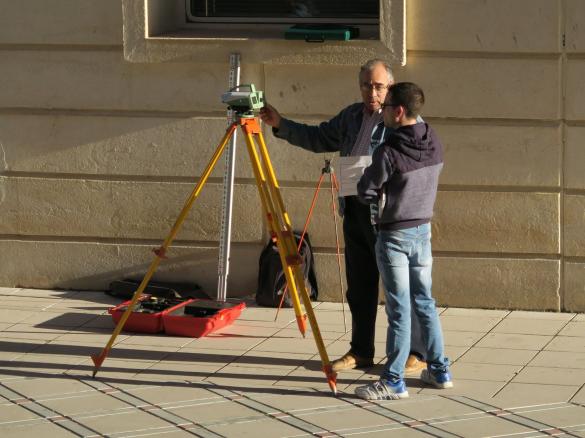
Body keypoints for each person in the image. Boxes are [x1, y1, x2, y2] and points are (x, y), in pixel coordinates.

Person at [259, 59, 427, 375]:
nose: (372, 92)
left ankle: (414, 352)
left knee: (399, 287)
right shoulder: (351, 115)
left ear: (390, 87)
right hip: (354, 209)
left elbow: (417, 159)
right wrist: (281, 123)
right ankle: (362, 350)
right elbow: (320, 138)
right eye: (366, 85)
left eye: (378, 86)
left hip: (388, 215)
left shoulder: (400, 118)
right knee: (360, 287)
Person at [354, 82, 452, 400]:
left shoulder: (389, 151)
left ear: (398, 111)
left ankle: (393, 380)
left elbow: (366, 189)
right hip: (423, 231)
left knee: (399, 309)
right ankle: (439, 370)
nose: (381, 111)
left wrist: (373, 192)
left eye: (385, 107)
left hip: (394, 235)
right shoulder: (433, 140)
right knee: (425, 302)